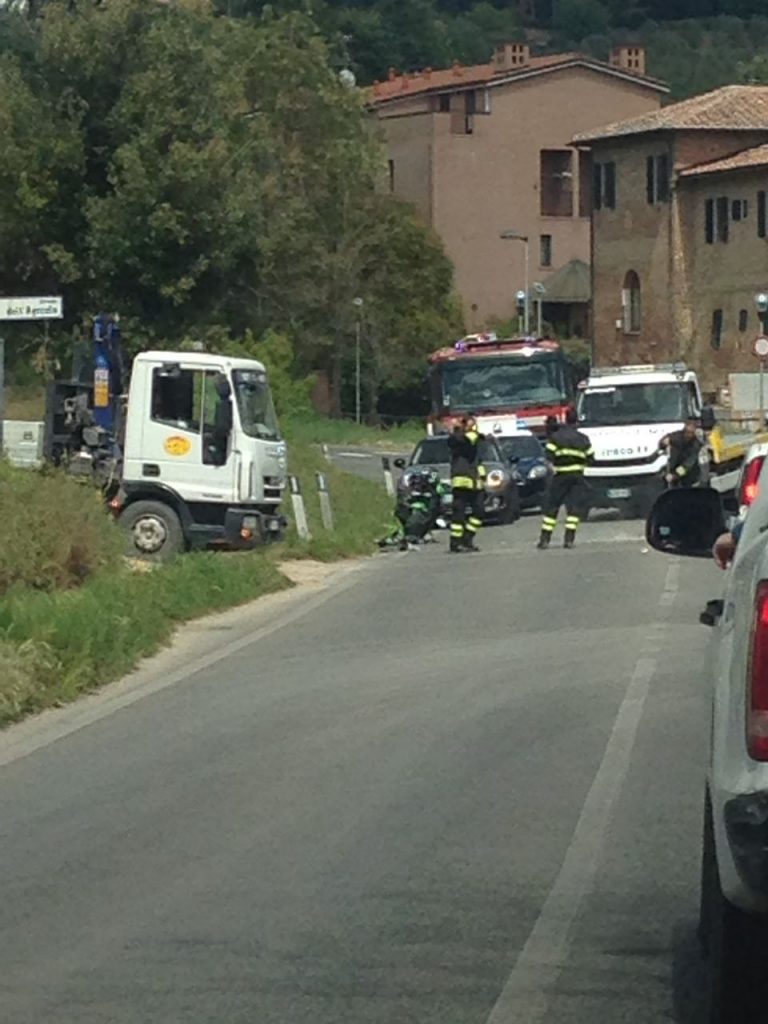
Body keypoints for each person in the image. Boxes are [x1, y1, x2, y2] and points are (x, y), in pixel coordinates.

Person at [538, 406, 593, 550]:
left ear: (565, 419)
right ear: (577, 421)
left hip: (560, 477)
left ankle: (544, 540)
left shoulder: (556, 438)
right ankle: (569, 540)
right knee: (574, 510)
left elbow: (548, 458)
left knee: (552, 508)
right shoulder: (583, 439)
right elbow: (591, 458)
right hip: (577, 478)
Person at [378, 470, 444, 551]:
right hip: (408, 526)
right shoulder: (409, 501)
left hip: (417, 527)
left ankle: (401, 538)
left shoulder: (431, 501)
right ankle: (397, 538)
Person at [448, 415, 484, 553]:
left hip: (475, 482)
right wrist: (458, 428)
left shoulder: (475, 439)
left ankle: (467, 538)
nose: (472, 426)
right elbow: (463, 439)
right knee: (459, 515)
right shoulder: (457, 439)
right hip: (461, 482)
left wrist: (483, 477)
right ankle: (455, 543)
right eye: (470, 424)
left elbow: (478, 460)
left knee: (479, 511)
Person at [660, 418, 702, 488]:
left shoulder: (696, 446)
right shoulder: (677, 436)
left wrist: (674, 475)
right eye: (687, 432)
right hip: (672, 469)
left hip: (689, 477)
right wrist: (663, 442)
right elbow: (663, 442)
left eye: (691, 433)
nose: (688, 435)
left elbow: (687, 466)